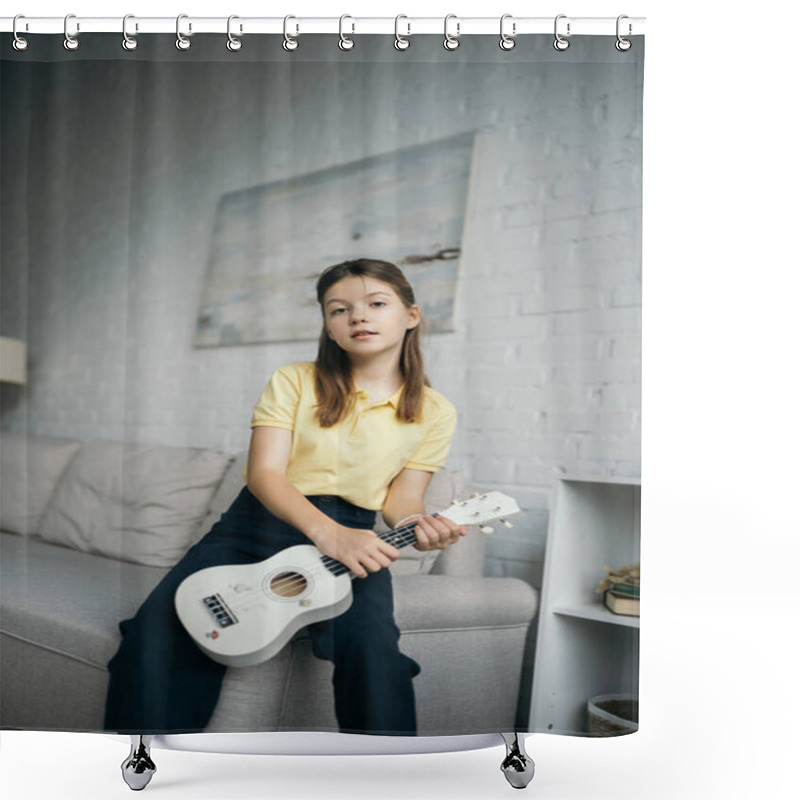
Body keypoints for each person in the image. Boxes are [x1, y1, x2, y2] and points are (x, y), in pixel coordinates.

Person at [104, 257, 466, 736]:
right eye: (339, 309)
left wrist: (421, 526)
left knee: (374, 652)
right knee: (154, 638)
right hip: (257, 523)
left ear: (411, 316)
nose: (358, 316)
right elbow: (265, 475)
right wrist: (329, 534)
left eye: (376, 303)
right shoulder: (294, 380)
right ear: (329, 327)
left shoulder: (436, 412)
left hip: (353, 533)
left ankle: (387, 779)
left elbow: (403, 500)